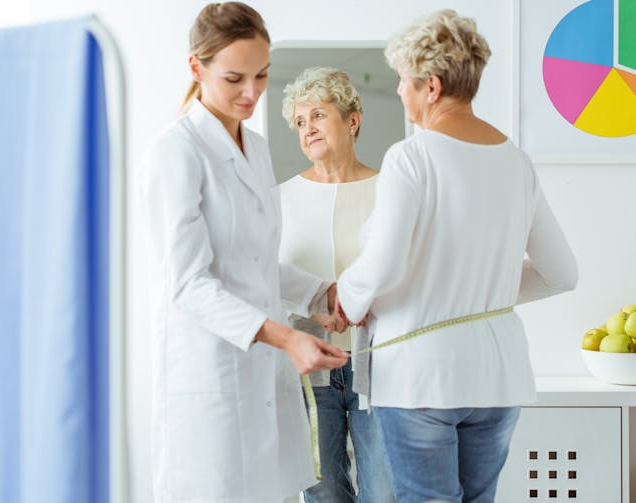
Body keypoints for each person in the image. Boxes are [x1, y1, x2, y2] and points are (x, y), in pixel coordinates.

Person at [334, 10, 578, 503]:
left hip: (421, 377)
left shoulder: (412, 156)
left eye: (403, 81)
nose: (400, 93)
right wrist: (477, 291)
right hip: (498, 375)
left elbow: (383, 263)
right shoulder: (516, 161)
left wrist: (348, 301)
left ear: (432, 86)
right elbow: (562, 274)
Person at [141, 3, 349, 502]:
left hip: (261, 377)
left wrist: (324, 293)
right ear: (197, 67)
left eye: (262, 74)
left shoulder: (255, 147)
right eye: (235, 78)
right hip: (209, 372)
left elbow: (254, 262)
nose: (252, 92)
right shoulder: (177, 151)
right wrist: (285, 338)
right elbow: (189, 282)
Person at [278, 67, 394, 503]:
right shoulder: (279, 199)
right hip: (309, 372)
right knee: (323, 493)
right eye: (300, 122)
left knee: (383, 493)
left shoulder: (391, 191)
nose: (308, 129)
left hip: (378, 364)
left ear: (352, 120)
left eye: (318, 115)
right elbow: (265, 277)